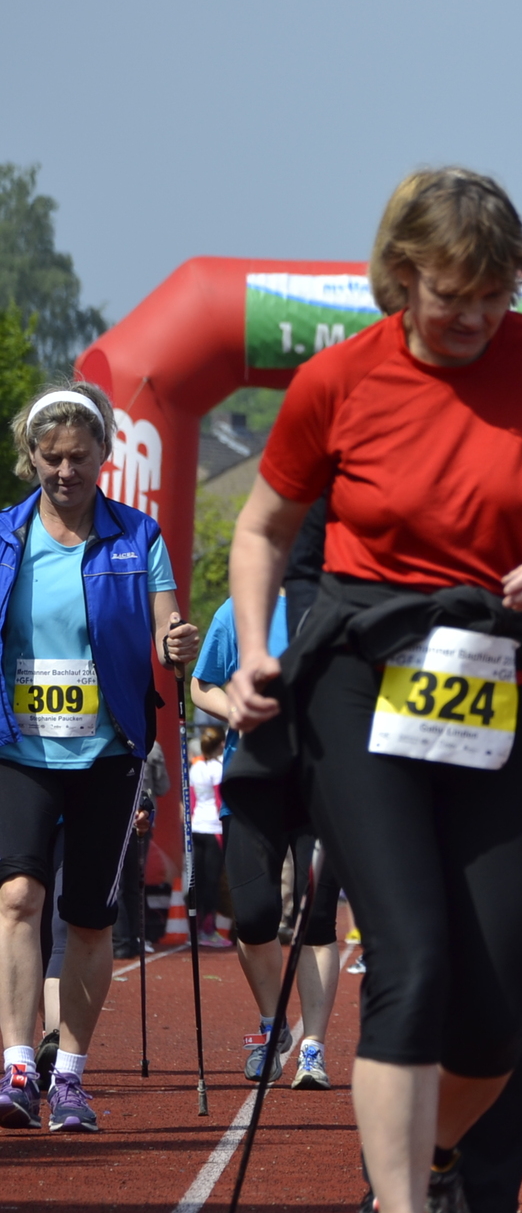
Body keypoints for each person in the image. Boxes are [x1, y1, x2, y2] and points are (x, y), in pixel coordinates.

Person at [221, 166, 522, 1213]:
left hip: (501, 672)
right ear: (400, 277)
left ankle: (434, 1158)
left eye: (497, 295)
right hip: (366, 670)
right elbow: (262, 526)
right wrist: (258, 649)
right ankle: (398, 1200)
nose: (478, 318)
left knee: (496, 1009)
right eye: (454, 296)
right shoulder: (338, 380)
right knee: (411, 956)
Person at [0, 379, 199, 1133]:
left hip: (107, 750)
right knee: (17, 896)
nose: (64, 472)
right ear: (30, 457)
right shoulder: (3, 538)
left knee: (87, 921)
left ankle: (72, 1075)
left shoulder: (137, 538)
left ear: (104, 456)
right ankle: (19, 1064)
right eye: (49, 458)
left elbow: (164, 630)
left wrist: (175, 643)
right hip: (17, 747)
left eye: (79, 458)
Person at [193, 590, 346, 1088]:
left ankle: (314, 1049)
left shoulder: (342, 604)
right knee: (255, 917)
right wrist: (233, 710)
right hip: (254, 787)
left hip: (323, 789)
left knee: (315, 919)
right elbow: (200, 686)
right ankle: (270, 1022)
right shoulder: (238, 610)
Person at [187, 726, 230, 948]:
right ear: (220, 744)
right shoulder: (217, 768)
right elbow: (219, 800)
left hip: (197, 828)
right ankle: (208, 930)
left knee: (199, 881)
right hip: (214, 828)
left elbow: (192, 801)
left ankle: (196, 929)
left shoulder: (196, 768)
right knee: (212, 883)